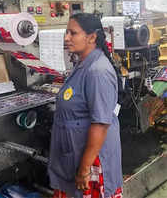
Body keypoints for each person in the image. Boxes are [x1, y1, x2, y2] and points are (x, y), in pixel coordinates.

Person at [48, 13, 123, 198]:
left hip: (91, 161)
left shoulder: (97, 71)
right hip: (74, 153)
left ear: (92, 37)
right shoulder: (84, 64)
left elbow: (101, 123)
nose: (66, 38)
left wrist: (84, 169)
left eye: (72, 33)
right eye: (67, 32)